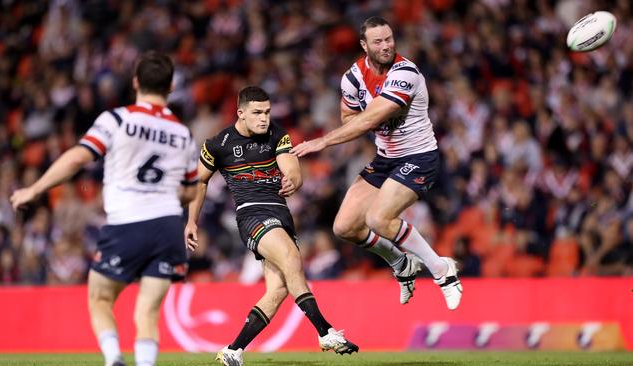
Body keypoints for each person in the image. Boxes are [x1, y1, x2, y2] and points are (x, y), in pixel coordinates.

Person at [10, 51, 199, 366]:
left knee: (100, 298)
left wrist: (34, 189)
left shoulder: (116, 120)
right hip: (168, 227)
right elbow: (191, 190)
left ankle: (114, 360)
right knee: (147, 313)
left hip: (128, 222)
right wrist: (163, 196)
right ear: (170, 86)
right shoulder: (183, 134)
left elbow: (77, 158)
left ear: (136, 82)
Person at [292, 16, 462, 310]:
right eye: (378, 41)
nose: (386, 46)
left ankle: (442, 270)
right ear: (364, 45)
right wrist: (364, 119)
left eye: (389, 39)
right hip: (386, 160)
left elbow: (369, 118)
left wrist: (323, 141)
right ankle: (401, 263)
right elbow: (349, 117)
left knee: (378, 219)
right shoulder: (353, 77)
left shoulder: (405, 72)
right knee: (344, 227)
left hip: (419, 157)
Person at [185, 86, 358, 366]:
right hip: (251, 215)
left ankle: (232, 351)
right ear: (240, 113)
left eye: (266, 111)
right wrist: (192, 220)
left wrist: (293, 180)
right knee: (292, 258)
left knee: (277, 290)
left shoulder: (277, 134)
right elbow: (200, 181)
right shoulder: (218, 144)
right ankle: (325, 332)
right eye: (257, 113)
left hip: (282, 216)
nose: (264, 118)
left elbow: (292, 169)